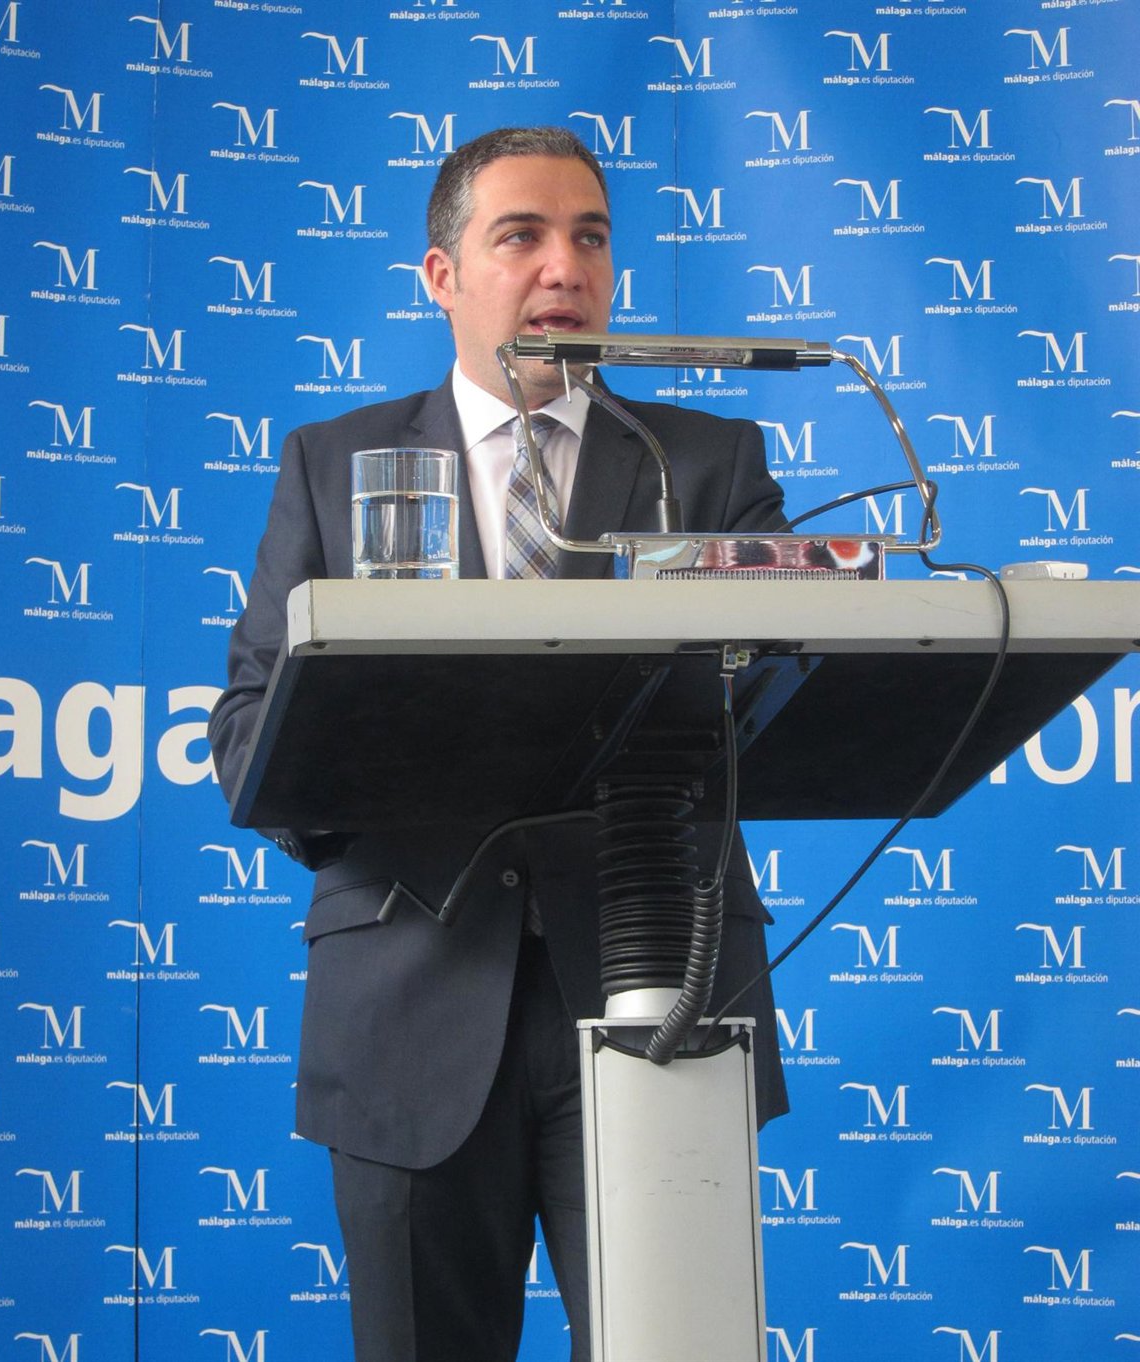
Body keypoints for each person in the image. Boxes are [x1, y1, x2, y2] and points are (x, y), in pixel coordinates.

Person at [208, 125, 788, 1362]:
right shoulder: (331, 465)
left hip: (658, 985)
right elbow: (248, 735)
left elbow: (774, 703)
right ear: (442, 275)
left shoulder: (709, 462)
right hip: (410, 1000)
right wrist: (393, 743)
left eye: (590, 238)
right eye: (520, 235)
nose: (563, 267)